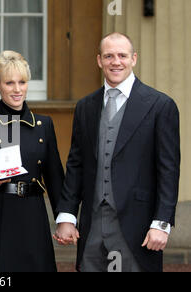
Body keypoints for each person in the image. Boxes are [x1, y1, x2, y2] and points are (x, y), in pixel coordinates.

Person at [53, 32, 180, 272]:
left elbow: (169, 170)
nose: (116, 62)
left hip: (138, 227)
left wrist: (161, 223)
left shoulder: (160, 106)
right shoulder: (85, 107)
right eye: (109, 56)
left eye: (122, 55)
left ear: (133, 59)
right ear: (99, 60)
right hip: (92, 226)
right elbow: (76, 165)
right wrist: (67, 215)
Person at [0, 51, 64, 272]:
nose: (17, 90)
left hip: (32, 215)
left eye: (22, 82)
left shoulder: (43, 125)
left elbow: (55, 178)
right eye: (9, 83)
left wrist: (64, 220)